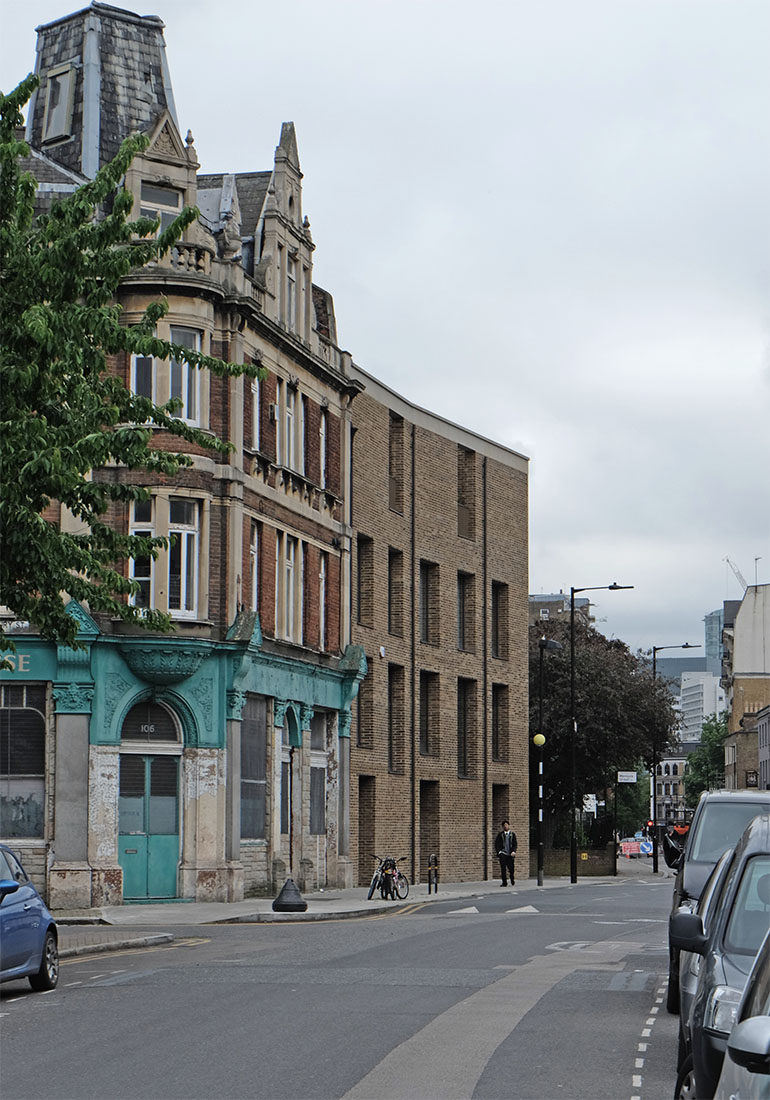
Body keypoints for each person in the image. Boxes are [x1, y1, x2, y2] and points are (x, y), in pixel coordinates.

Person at [495, 820, 517, 886]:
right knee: (503, 869)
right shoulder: (500, 835)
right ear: (503, 827)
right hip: (503, 854)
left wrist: (514, 851)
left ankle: (512, 879)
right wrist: (499, 852)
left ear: (509, 826)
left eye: (507, 825)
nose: (506, 827)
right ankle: (504, 882)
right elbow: (497, 844)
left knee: (511, 868)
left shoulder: (512, 835)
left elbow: (514, 844)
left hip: (510, 854)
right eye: (504, 826)